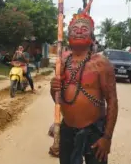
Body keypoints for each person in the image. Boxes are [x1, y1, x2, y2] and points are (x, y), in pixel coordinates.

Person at [50, 9, 118, 164]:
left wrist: (107, 137)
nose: (79, 32)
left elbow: (112, 101)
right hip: (67, 130)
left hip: (94, 131)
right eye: (74, 29)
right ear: (68, 36)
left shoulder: (101, 64)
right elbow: (58, 101)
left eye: (84, 29)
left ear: (92, 38)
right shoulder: (62, 61)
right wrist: (53, 88)